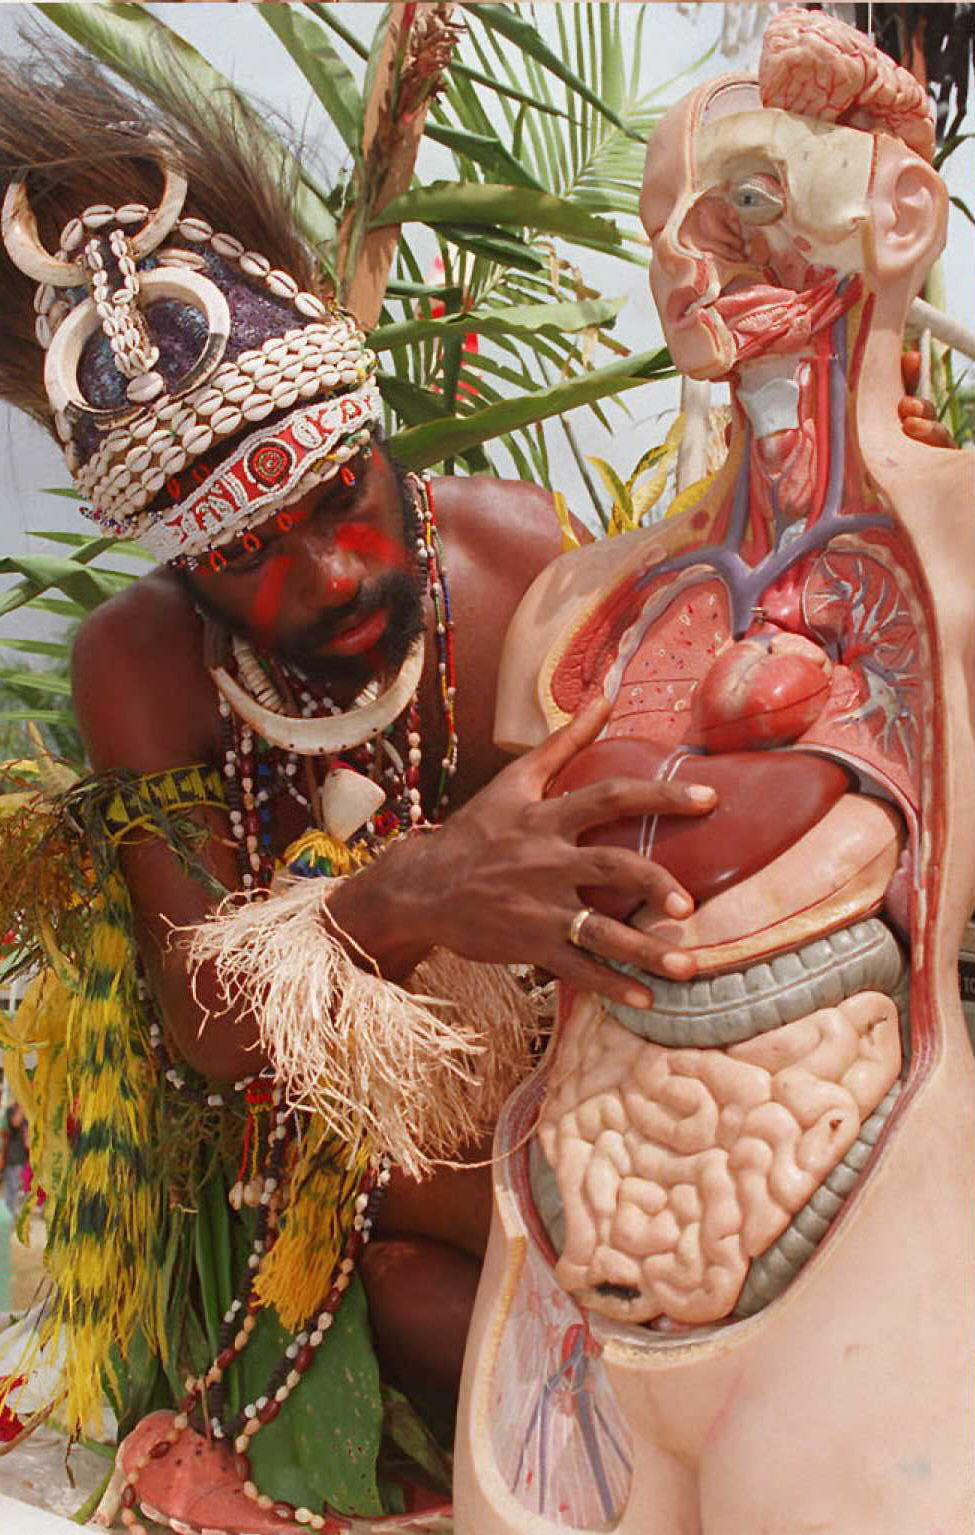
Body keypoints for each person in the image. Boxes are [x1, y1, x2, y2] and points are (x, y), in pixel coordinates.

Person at [0, 32, 952, 1535]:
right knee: (423, 1267)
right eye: (248, 557)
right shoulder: (139, 670)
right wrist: (410, 893)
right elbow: (204, 1027)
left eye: (340, 500)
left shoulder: (519, 566)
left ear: (374, 438)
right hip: (323, 1127)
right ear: (183, 570)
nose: (334, 577)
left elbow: (639, 864)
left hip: (576, 1082)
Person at [0, 1104, 28, 1219]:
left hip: (20, 1159)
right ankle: (8, 1216)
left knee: (15, 1190)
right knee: (11, 1190)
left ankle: (10, 1215)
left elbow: (27, 1141)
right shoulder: (11, 1110)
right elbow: (14, 1122)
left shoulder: (25, 1115)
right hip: (11, 1159)